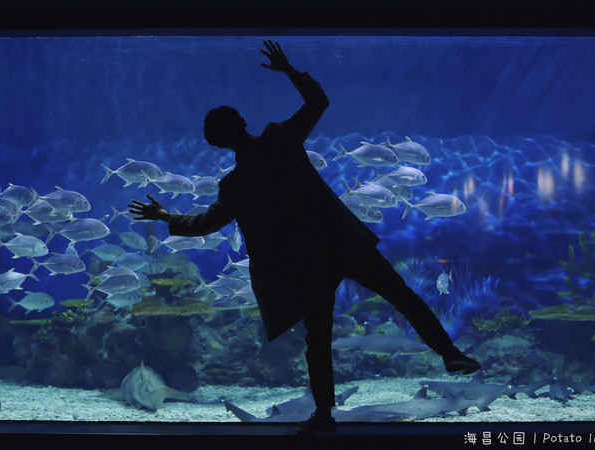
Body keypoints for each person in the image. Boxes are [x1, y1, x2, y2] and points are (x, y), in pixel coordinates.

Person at [128, 40, 480, 436]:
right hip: (342, 242)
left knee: (319, 341)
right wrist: (288, 69)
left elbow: (209, 224)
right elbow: (318, 101)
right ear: (243, 121)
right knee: (404, 296)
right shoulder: (280, 138)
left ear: (216, 143)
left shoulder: (235, 183)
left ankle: (325, 417)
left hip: (304, 268)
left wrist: (165, 216)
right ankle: (451, 354)